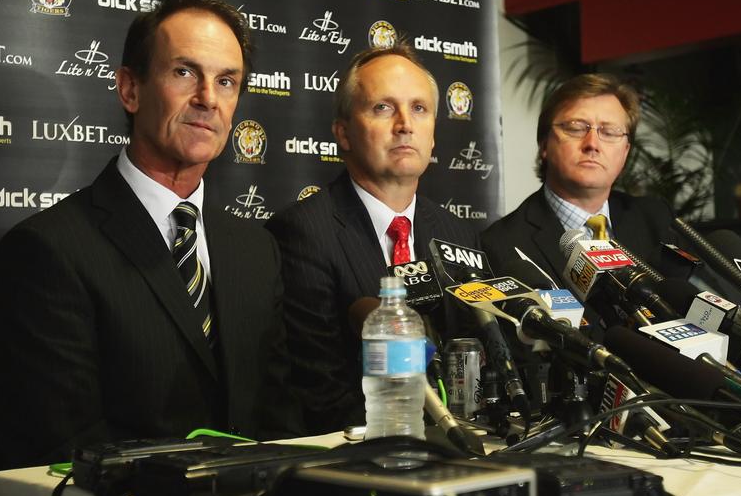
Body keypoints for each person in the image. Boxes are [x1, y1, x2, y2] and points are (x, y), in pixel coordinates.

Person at [0, 0, 300, 469]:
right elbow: (63, 452)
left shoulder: (257, 248)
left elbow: (281, 419)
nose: (208, 99)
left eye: (227, 81)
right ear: (130, 90)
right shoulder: (48, 249)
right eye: (184, 72)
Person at [265, 42, 478, 435]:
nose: (405, 124)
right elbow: (320, 393)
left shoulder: (458, 233)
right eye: (383, 107)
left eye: (419, 108)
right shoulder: (304, 233)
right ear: (343, 134)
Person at [482, 73, 675, 292]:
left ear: (625, 152)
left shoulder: (656, 219)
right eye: (575, 128)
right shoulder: (502, 244)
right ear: (544, 144)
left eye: (609, 132)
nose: (592, 144)